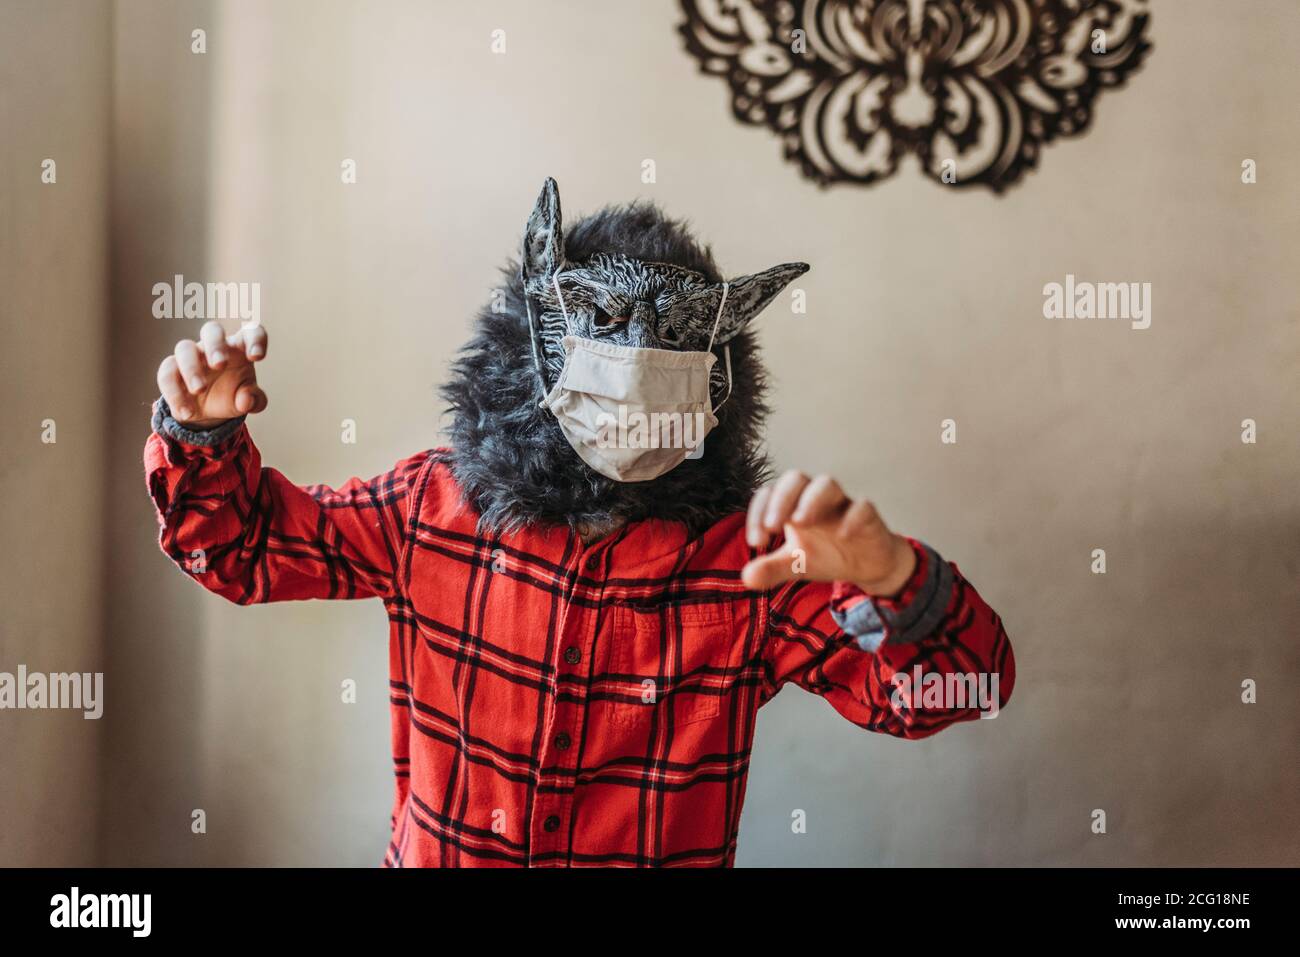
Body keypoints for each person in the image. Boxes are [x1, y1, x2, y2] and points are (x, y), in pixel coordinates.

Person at [145, 178, 1014, 867]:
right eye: (603, 321)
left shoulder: (755, 564)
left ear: (717, 374)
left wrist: (896, 579)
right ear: (535, 336)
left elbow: (953, 691)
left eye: (670, 337)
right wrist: (202, 435)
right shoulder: (430, 509)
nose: (635, 360)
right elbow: (243, 551)